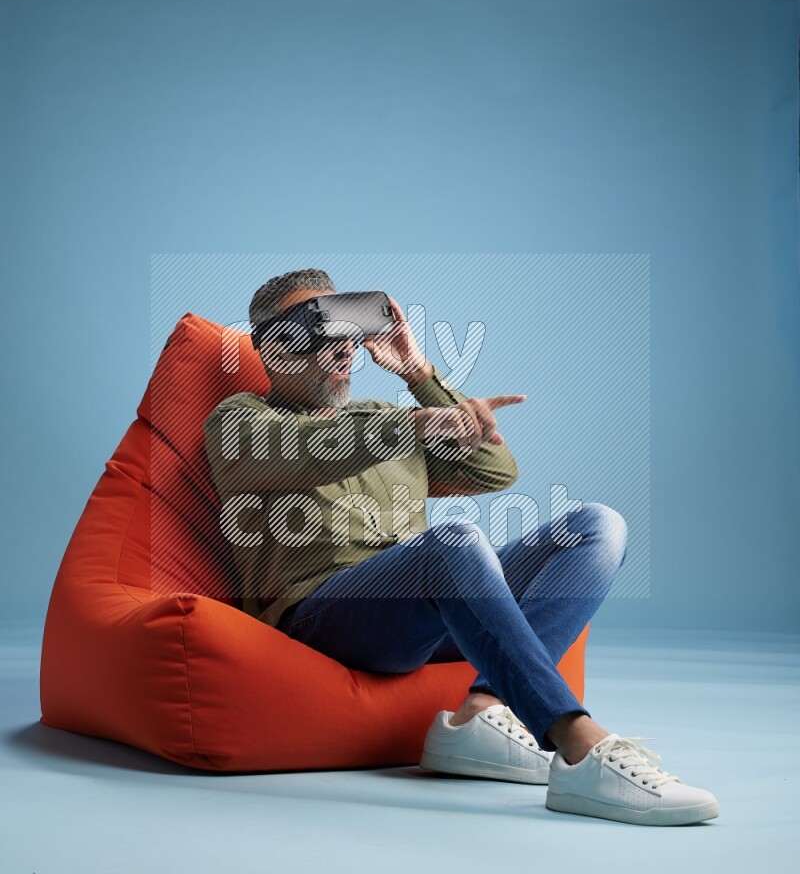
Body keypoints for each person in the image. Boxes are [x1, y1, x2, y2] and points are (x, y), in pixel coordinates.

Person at [204, 268, 720, 827]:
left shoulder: (382, 416)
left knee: (596, 526)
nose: (340, 348)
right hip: (323, 620)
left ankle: (482, 709)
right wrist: (415, 428)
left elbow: (494, 469)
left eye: (345, 330)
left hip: (422, 614)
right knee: (454, 541)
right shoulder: (238, 420)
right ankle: (578, 744)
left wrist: (420, 376)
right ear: (272, 347)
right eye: (315, 329)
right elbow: (308, 448)